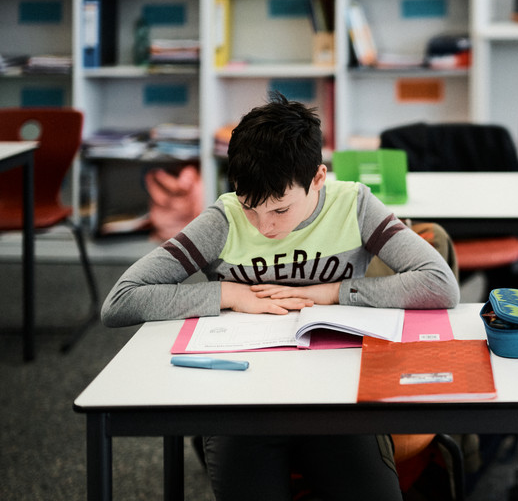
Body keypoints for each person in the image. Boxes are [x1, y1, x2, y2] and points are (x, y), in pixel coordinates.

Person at [102, 91, 460, 500]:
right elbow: (120, 301)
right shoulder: (224, 219)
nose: (263, 227)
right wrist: (229, 294)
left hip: (336, 398)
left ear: (318, 179)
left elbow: (439, 282)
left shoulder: (353, 205)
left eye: (279, 210)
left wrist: (332, 292)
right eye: (250, 207)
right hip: (241, 402)